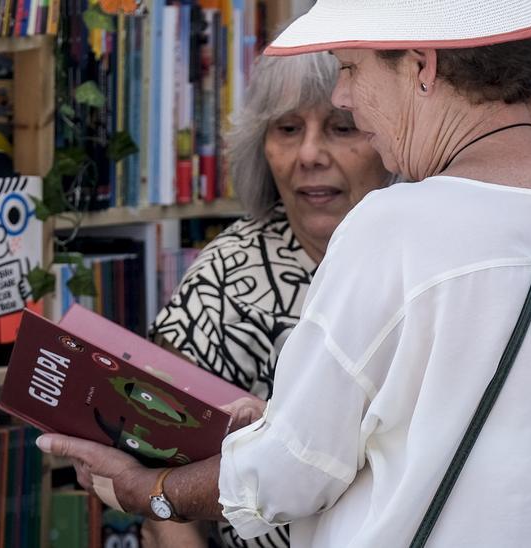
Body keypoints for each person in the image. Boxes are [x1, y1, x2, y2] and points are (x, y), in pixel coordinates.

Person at [38, 0, 531, 545]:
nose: (341, 94)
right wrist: (285, 423)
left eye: (350, 68)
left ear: (422, 67)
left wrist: (154, 489)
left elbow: (291, 474)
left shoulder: (394, 227)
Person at [145, 51, 393, 548]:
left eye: (341, 128)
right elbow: (156, 478)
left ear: (391, 138)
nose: (309, 155)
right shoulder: (222, 277)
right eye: (287, 129)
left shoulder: (425, 259)